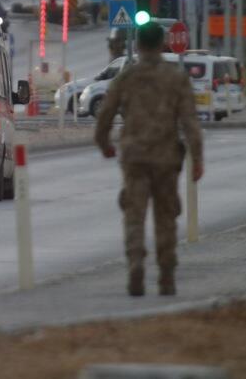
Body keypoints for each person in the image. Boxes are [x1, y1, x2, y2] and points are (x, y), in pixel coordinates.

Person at [94, 22, 204, 297]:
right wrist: (197, 158)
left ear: (139, 46)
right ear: (162, 44)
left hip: (134, 157)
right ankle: (166, 275)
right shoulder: (176, 78)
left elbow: (105, 114)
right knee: (166, 217)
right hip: (166, 157)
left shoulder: (126, 77)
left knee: (134, 214)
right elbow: (190, 122)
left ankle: (136, 264)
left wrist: (104, 144)